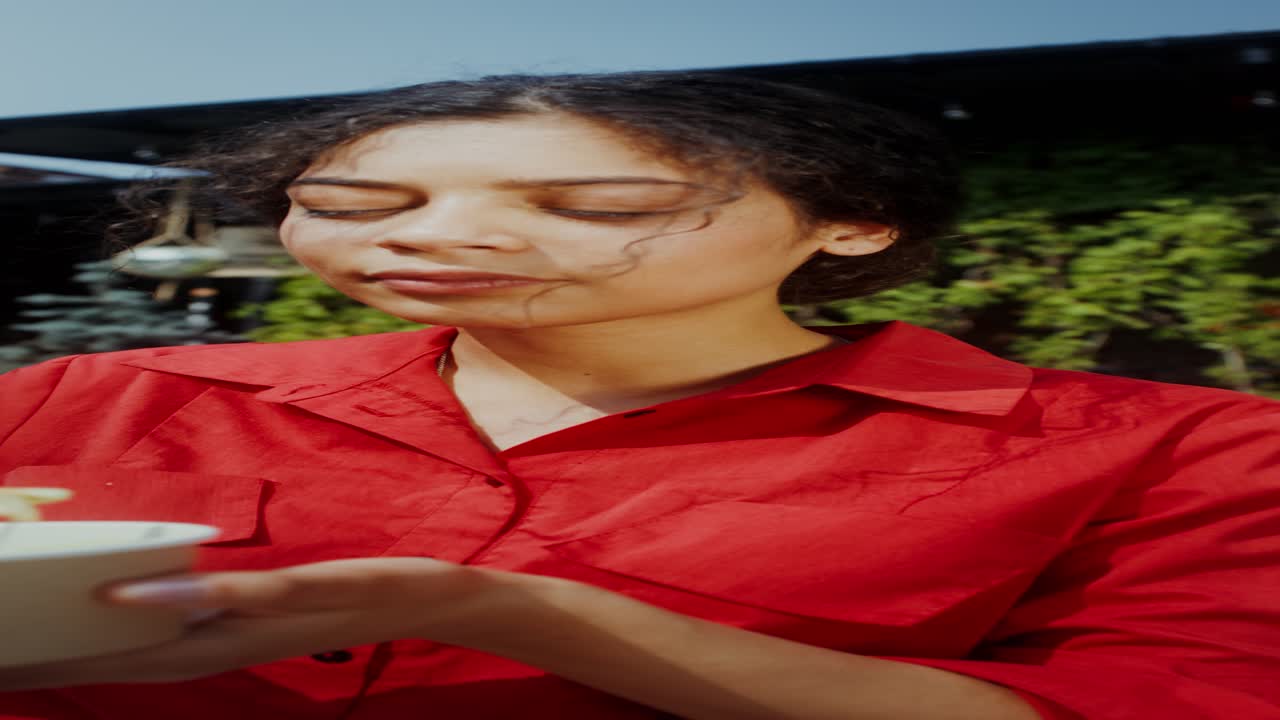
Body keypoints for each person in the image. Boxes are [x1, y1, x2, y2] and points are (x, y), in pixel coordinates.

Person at [0, 70, 1277, 720]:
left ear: (848, 228)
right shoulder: (91, 395)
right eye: (350, 207)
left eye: (600, 207)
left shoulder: (1177, 449)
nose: (442, 239)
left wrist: (491, 609)